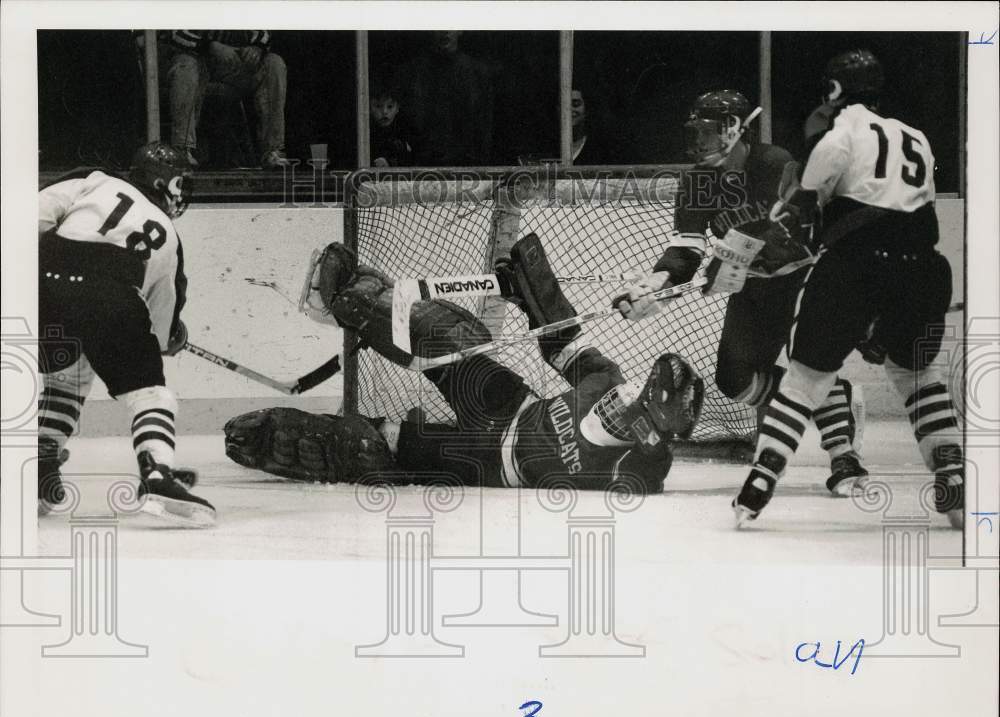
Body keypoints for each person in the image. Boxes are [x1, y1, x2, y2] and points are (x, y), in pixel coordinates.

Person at [224, 237, 704, 493]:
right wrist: (534, 296)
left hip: (484, 460)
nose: (623, 395)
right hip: (509, 406)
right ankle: (347, 300)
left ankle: (293, 437)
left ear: (648, 430)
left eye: (636, 401)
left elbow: (648, 473)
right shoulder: (608, 382)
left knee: (369, 450)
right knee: (454, 336)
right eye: (634, 388)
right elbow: (559, 344)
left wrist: (652, 438)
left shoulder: (635, 468)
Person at [733, 50, 963, 529]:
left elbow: (802, 210)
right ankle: (952, 471)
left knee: (805, 380)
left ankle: (760, 480)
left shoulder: (840, 133)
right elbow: (917, 212)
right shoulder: (917, 137)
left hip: (855, 267)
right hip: (923, 268)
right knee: (917, 376)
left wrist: (778, 229)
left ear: (835, 91)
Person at [616, 89, 868, 496]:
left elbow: (799, 234)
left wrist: (743, 257)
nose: (699, 142)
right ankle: (833, 398)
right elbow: (687, 249)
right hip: (754, 288)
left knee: (808, 364)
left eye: (709, 132)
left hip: (804, 278)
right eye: (695, 132)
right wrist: (657, 282)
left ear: (735, 129)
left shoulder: (774, 165)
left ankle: (844, 457)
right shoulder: (698, 180)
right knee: (733, 378)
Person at [37, 142, 215, 527]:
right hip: (111, 289)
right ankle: (157, 476)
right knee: (151, 395)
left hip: (45, 283)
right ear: (164, 182)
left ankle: (41, 462)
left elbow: (33, 216)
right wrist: (171, 336)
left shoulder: (94, 181)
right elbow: (162, 312)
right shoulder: (166, 233)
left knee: (66, 381)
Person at [167, 30, 290, 169]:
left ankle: (272, 151)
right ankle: (182, 149)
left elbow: (264, 32)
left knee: (274, 63)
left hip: (235, 63)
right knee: (185, 64)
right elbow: (176, 34)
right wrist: (210, 46)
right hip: (199, 60)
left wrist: (257, 47)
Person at [394, 31, 494, 165]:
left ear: (461, 30)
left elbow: (484, 127)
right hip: (421, 166)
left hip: (468, 167)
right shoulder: (411, 73)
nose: (445, 31)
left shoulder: (477, 73)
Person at [369, 81, 414, 168]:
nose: (384, 112)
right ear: (369, 108)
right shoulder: (365, 133)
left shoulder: (405, 132)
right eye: (378, 106)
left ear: (397, 108)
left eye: (390, 106)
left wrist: (390, 163)